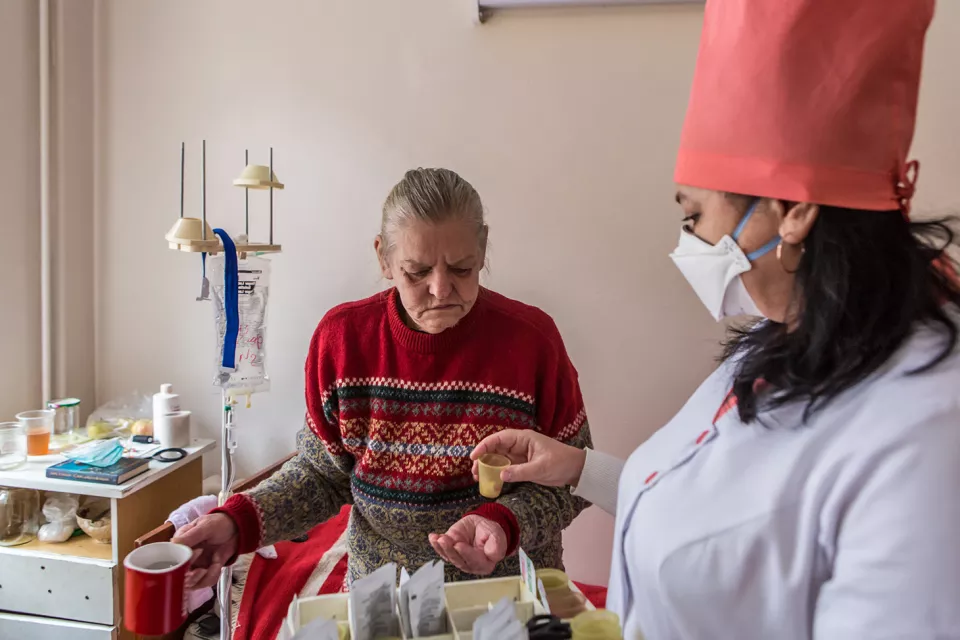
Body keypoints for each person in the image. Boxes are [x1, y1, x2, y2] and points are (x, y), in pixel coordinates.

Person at [464, 1, 960, 638]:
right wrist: (578, 467)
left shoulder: (922, 435)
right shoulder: (778, 339)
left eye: (694, 217)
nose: (687, 245)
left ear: (793, 211)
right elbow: (708, 519)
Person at [174, 168, 592, 588]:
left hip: (510, 591)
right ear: (384, 258)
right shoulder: (342, 340)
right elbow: (322, 475)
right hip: (384, 595)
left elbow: (576, 481)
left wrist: (505, 523)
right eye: (417, 272)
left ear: (482, 248)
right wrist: (237, 522)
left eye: (462, 269)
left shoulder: (531, 341)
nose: (441, 289)